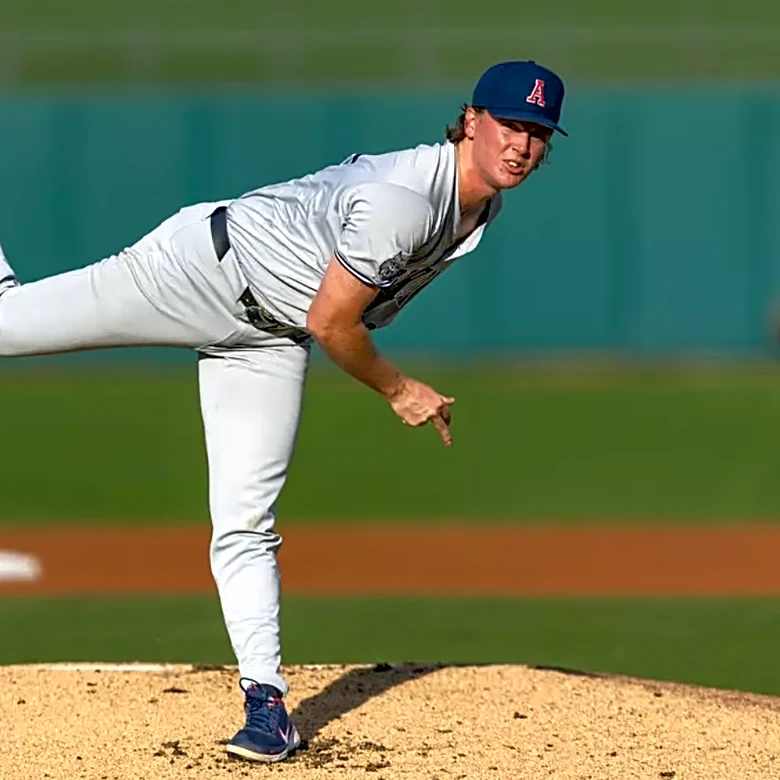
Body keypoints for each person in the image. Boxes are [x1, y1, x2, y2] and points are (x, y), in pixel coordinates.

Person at [0, 59, 567, 762]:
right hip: (198, 272)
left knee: (246, 520)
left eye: (539, 133)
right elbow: (336, 324)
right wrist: (399, 389)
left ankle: (266, 708)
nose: (522, 145)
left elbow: (319, 315)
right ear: (472, 121)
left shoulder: (478, 206)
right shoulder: (407, 202)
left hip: (268, 338)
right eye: (511, 124)